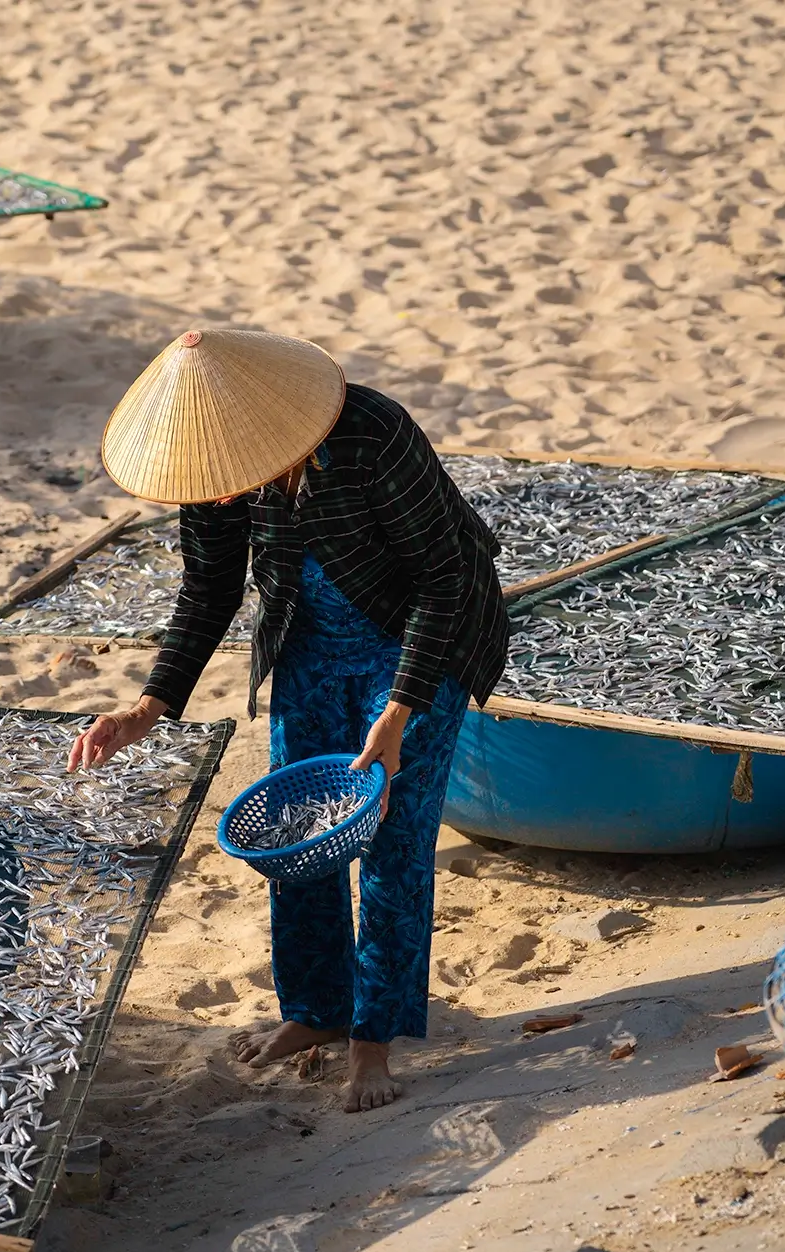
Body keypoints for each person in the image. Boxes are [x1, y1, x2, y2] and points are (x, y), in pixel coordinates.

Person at [68, 329, 509, 1112]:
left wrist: (400, 709)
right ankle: (313, 1010)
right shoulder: (216, 475)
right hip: (306, 643)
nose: (225, 495)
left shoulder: (372, 434)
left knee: (390, 835)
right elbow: (208, 592)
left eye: (237, 477)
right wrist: (146, 707)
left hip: (415, 637)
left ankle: (372, 1036)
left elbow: (443, 578)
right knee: (296, 833)